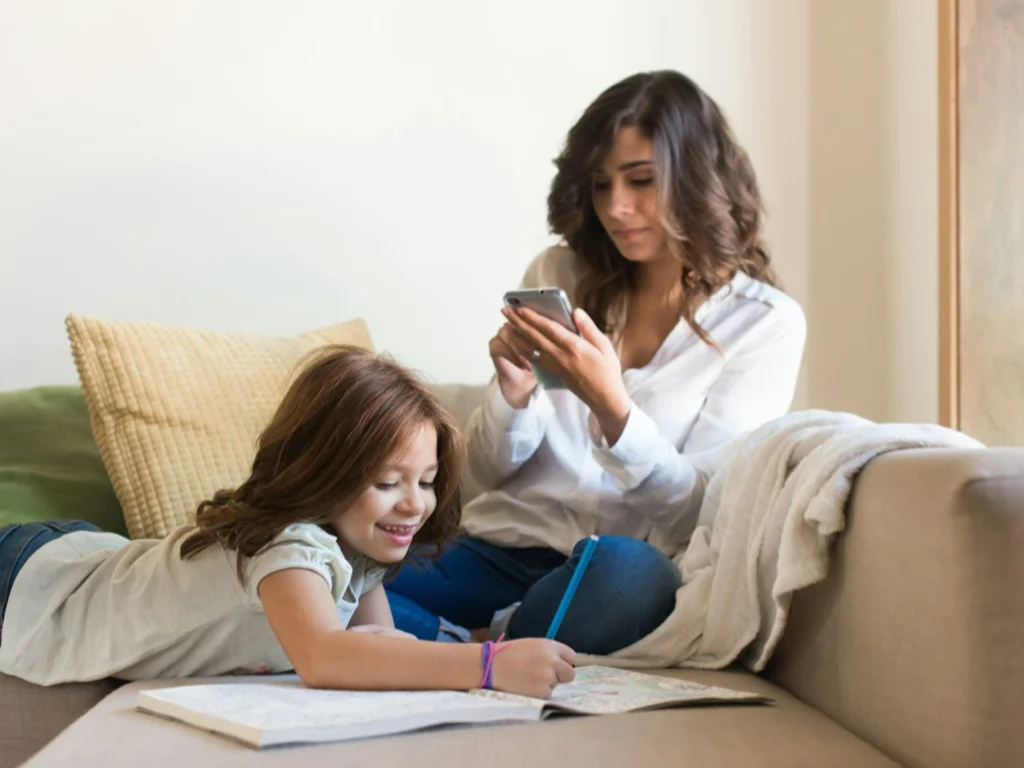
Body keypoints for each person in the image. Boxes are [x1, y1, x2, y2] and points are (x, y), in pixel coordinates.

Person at [386, 70, 807, 654]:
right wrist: (511, 395)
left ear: (697, 179)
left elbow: (697, 515)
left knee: (633, 578)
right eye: (601, 184)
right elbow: (485, 475)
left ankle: (446, 646)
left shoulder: (763, 324)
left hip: (611, 566)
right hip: (500, 549)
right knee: (334, 571)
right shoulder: (557, 275)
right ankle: (480, 646)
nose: (617, 207)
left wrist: (613, 408)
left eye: (640, 181)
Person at [0, 346, 575, 699]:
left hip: (86, 553)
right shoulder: (289, 545)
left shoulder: (360, 551)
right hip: (33, 580)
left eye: (425, 482)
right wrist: (487, 665)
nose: (414, 504)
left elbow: (377, 645)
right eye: (386, 482)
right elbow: (327, 656)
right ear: (322, 471)